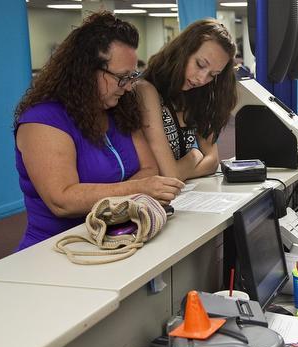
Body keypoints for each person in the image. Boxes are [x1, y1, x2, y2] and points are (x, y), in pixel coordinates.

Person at [12, 11, 182, 252]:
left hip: (114, 237)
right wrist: (136, 190)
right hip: (57, 248)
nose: (129, 86)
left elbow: (149, 169)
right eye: (122, 77)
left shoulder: (119, 109)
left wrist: (115, 202)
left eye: (132, 76)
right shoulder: (43, 121)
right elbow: (62, 200)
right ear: (86, 71)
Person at [135, 19, 237, 181]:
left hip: (182, 191)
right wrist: (195, 155)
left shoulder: (196, 94)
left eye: (213, 75)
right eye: (200, 64)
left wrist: (181, 169)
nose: (202, 79)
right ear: (183, 51)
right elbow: (170, 176)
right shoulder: (146, 89)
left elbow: (213, 161)